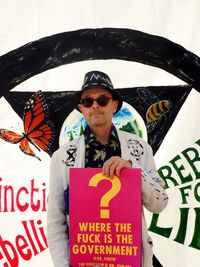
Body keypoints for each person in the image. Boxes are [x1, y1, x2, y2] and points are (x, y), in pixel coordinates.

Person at [47, 70, 168, 267]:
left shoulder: (139, 148)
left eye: (102, 100)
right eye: (88, 101)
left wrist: (132, 169)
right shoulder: (62, 158)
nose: (95, 105)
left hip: (130, 259)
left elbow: (160, 203)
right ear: (81, 108)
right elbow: (55, 220)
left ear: (114, 105)